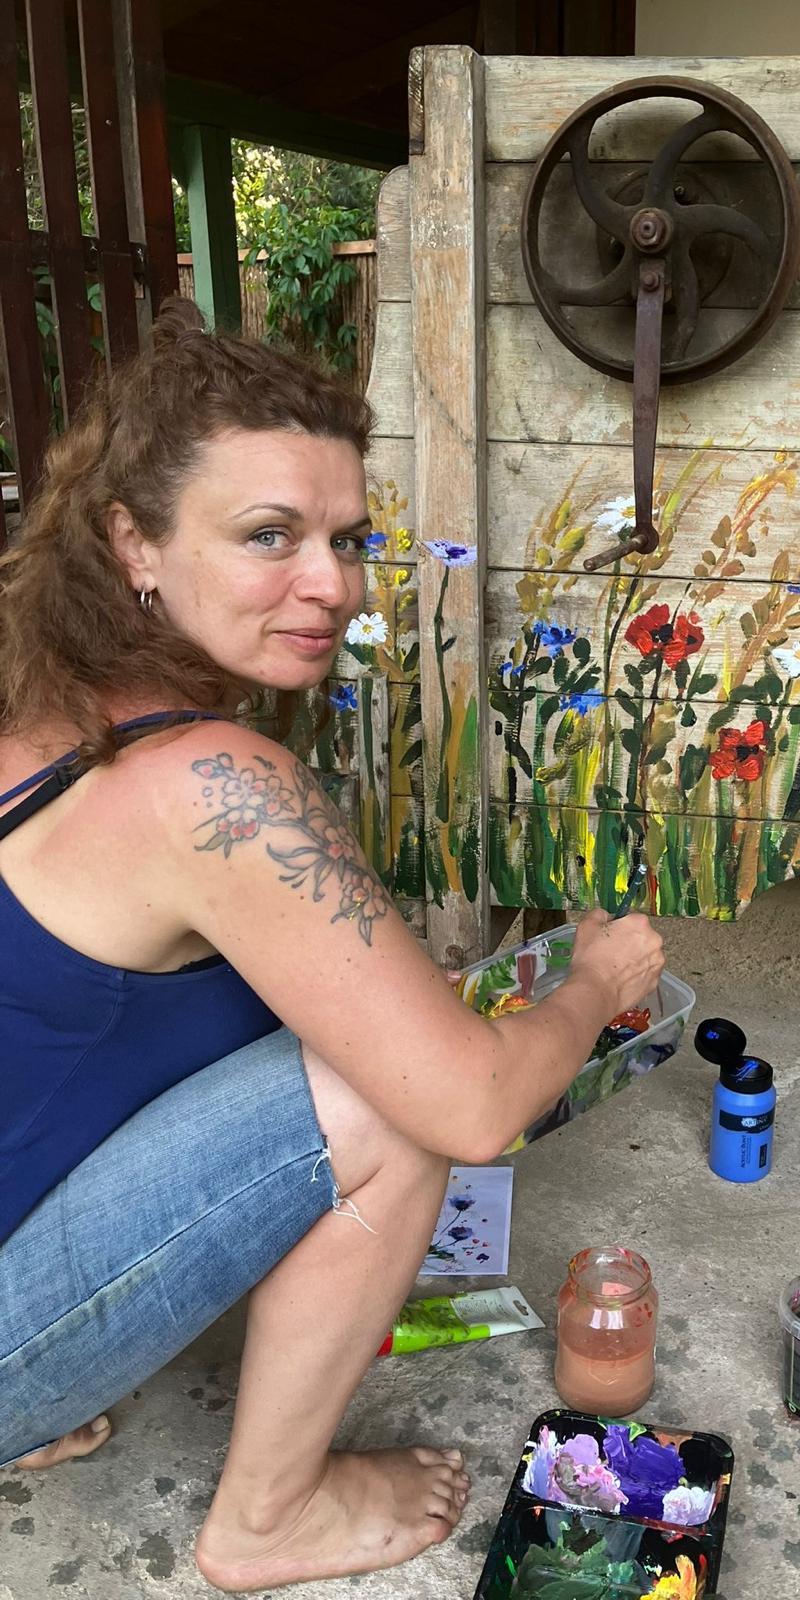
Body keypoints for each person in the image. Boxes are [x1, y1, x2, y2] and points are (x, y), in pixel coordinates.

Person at [0, 300, 665, 1593]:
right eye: (270, 536)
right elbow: (473, 1106)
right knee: (389, 1098)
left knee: (384, 1033)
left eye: (347, 540)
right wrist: (595, 982)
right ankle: (267, 1520)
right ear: (134, 543)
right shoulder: (214, 784)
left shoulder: (46, 705)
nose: (334, 585)